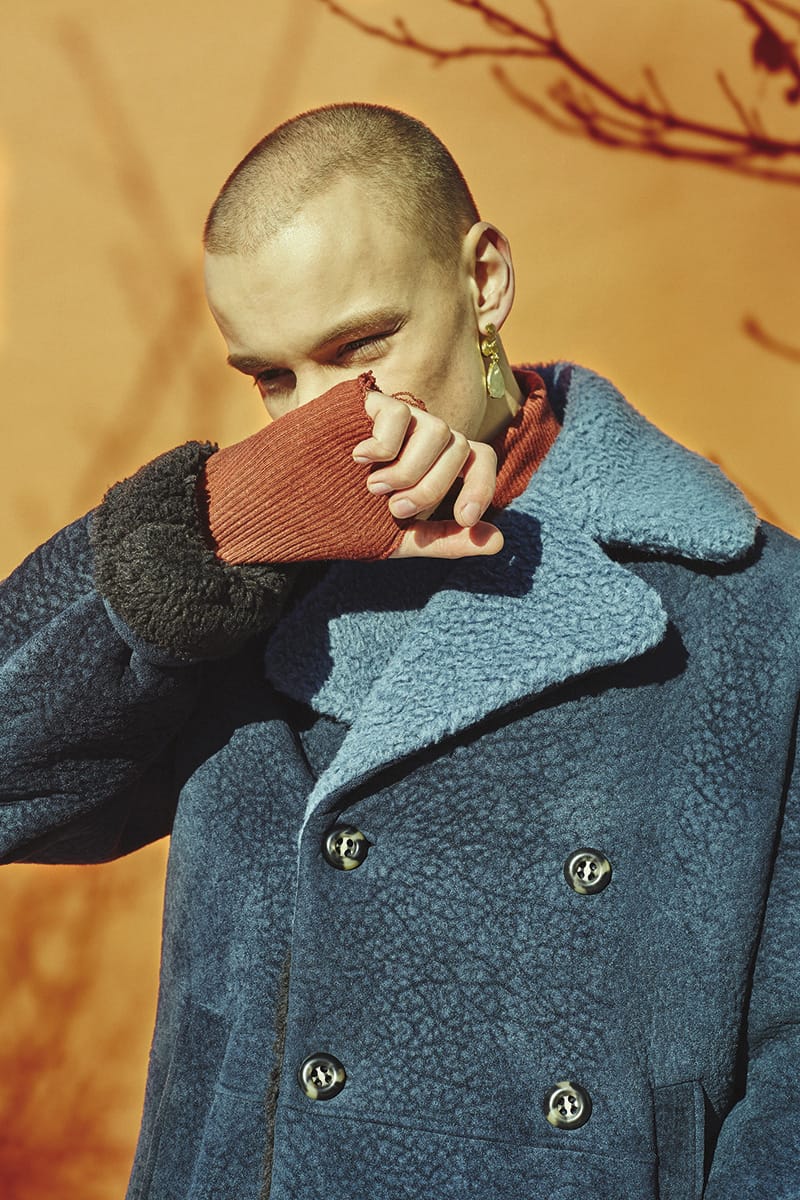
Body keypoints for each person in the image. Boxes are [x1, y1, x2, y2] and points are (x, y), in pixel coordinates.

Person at [1, 102, 798, 1200]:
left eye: (361, 349)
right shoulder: (243, 592)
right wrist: (216, 526)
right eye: (272, 379)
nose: (328, 426)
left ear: (483, 284)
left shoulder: (747, 609)